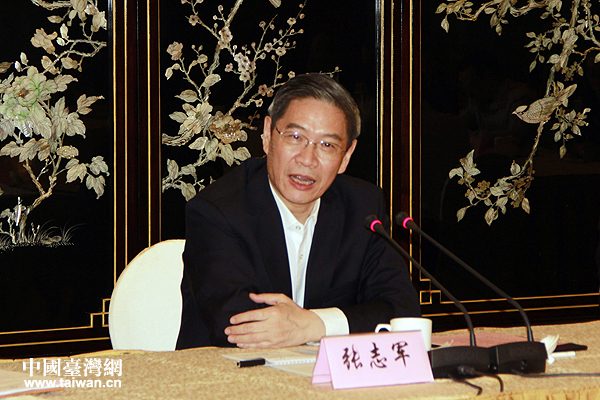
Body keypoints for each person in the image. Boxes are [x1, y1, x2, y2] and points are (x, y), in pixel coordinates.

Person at [176, 73, 421, 350]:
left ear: (346, 156)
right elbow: (239, 327)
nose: (307, 160)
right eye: (295, 137)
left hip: (324, 374)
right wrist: (327, 325)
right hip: (228, 372)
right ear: (267, 135)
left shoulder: (363, 209)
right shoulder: (216, 211)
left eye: (327, 145)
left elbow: (403, 310)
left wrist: (314, 324)